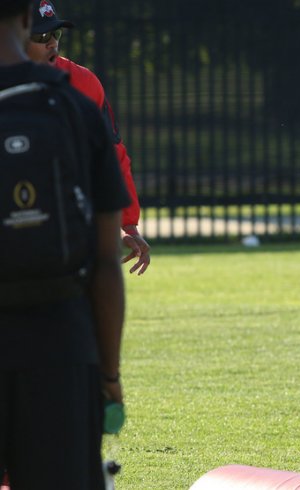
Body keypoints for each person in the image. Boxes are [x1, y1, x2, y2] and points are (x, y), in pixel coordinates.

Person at [0, 0, 129, 487]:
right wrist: (109, 378)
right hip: (60, 347)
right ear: (24, 20)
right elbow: (104, 264)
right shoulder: (75, 107)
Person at [26, 0, 150, 275]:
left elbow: (113, 155)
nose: (52, 43)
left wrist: (127, 224)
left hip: (66, 232)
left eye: (55, 34)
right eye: (41, 36)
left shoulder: (83, 82)